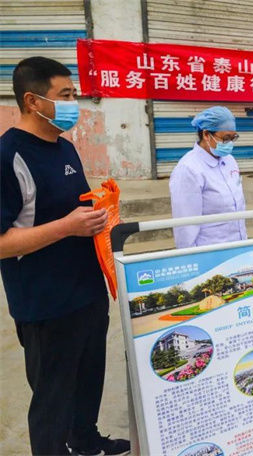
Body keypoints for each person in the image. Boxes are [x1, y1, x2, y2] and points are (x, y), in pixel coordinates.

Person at [0, 57, 129, 455]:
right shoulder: (9, 156)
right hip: (45, 303)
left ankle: (86, 441)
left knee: (89, 380)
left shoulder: (65, 148)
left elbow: (75, 210)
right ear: (33, 101)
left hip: (86, 292)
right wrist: (67, 227)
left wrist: (102, 210)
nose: (76, 103)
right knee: (52, 400)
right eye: (66, 95)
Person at [169, 106, 245, 248]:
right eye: (225, 138)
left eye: (233, 138)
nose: (229, 143)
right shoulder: (188, 169)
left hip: (238, 246)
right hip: (210, 251)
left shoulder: (229, 160)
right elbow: (185, 225)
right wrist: (191, 259)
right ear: (206, 134)